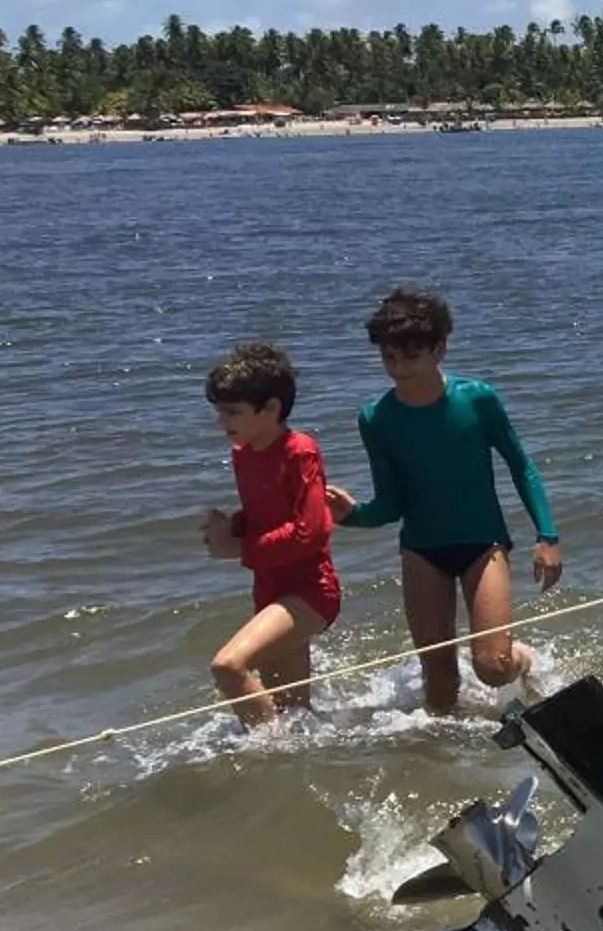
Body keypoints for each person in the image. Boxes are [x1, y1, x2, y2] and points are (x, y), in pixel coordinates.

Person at [325, 288, 562, 715]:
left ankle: (523, 660)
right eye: (389, 357)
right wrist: (353, 516)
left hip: (483, 545)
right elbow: (392, 504)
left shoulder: (477, 399)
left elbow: (521, 466)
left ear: (439, 349)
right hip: (422, 549)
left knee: (492, 668)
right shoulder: (375, 418)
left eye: (411, 356)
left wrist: (547, 536)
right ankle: (445, 750)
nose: (399, 368)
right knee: (439, 681)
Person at [199, 343, 342, 730]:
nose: (221, 422)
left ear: (271, 409)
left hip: (311, 591)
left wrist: (238, 548)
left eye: (232, 412)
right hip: (269, 589)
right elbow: (266, 516)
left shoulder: (300, 451)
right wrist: (233, 525)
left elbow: (312, 532)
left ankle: (265, 755)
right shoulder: (243, 453)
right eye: (219, 411)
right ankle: (298, 759)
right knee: (293, 712)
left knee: (228, 666)